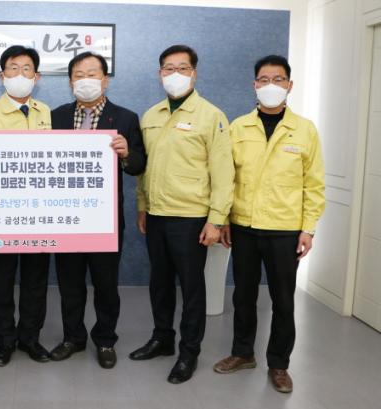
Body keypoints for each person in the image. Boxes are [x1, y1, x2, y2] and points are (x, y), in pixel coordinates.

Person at [213, 55, 325, 393]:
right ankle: (242, 353)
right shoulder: (238, 127)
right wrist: (225, 218)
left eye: (278, 79)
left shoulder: (304, 129)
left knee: (283, 301)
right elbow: (226, 178)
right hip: (244, 226)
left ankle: (279, 364)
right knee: (243, 296)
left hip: (284, 229)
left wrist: (308, 228)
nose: (270, 85)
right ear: (254, 85)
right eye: (264, 80)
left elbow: (314, 184)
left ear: (289, 85)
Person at [130, 45, 235, 384]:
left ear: (194, 73)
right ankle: (162, 339)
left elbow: (223, 173)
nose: (174, 74)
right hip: (156, 214)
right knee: (159, 283)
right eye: (168, 68)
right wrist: (143, 205)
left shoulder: (211, 116)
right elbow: (145, 169)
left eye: (182, 68)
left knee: (191, 288)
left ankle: (189, 352)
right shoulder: (151, 115)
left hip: (191, 217)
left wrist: (216, 219)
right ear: (159, 73)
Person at [49, 51, 146, 369]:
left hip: (104, 219)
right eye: (78, 75)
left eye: (92, 74)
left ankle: (105, 340)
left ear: (105, 80)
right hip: (66, 217)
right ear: (70, 82)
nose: (85, 80)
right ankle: (73, 337)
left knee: (106, 285)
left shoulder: (126, 118)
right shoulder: (56, 117)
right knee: (69, 284)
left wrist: (126, 154)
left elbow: (139, 165)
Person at [0, 45, 52, 367]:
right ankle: (5, 339)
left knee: (36, 280)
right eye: (13, 68)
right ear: (1, 75)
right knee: (1, 280)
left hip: (40, 216)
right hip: (0, 216)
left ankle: (30, 338)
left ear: (37, 77)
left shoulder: (47, 113)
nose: (20, 74)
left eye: (27, 69)